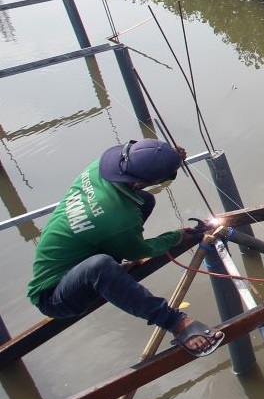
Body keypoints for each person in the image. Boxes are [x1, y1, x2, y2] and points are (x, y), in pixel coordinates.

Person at [27, 139, 226, 357]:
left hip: (77, 256)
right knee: (99, 266)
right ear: (140, 182)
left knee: (145, 200)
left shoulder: (97, 167)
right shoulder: (118, 217)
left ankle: (109, 271)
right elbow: (143, 251)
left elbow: (143, 154)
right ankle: (175, 322)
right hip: (54, 295)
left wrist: (169, 157)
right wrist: (176, 237)